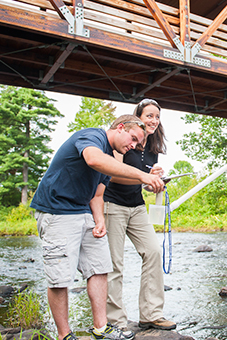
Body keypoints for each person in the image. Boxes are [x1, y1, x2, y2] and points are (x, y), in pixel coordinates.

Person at [30, 115, 165, 340]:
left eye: (136, 144)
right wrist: (143, 176)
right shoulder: (92, 136)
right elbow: (93, 160)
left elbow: (98, 194)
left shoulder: (111, 158)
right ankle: (64, 335)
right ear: (120, 128)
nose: (132, 146)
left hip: (83, 210)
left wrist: (99, 220)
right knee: (60, 277)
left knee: (100, 267)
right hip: (56, 210)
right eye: (132, 139)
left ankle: (101, 328)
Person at [104, 99, 176, 331]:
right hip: (112, 204)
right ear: (138, 117)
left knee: (153, 252)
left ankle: (151, 314)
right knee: (115, 264)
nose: (154, 120)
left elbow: (142, 184)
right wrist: (143, 177)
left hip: (137, 206)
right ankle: (114, 321)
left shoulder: (152, 147)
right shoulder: (125, 139)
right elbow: (112, 173)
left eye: (157, 116)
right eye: (149, 116)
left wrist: (155, 181)